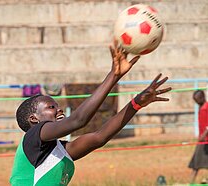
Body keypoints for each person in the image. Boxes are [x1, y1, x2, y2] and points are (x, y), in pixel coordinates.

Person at [9, 40, 172, 186]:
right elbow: (78, 120)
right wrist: (113, 75)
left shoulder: (59, 150)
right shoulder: (33, 136)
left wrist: (136, 104)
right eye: (51, 107)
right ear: (34, 119)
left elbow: (99, 137)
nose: (59, 109)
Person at [189, 90, 208, 183]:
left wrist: (203, 135)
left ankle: (191, 183)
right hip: (202, 140)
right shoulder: (202, 107)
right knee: (196, 164)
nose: (196, 102)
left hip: (205, 140)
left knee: (195, 164)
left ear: (202, 97)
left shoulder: (206, 108)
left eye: (197, 100)